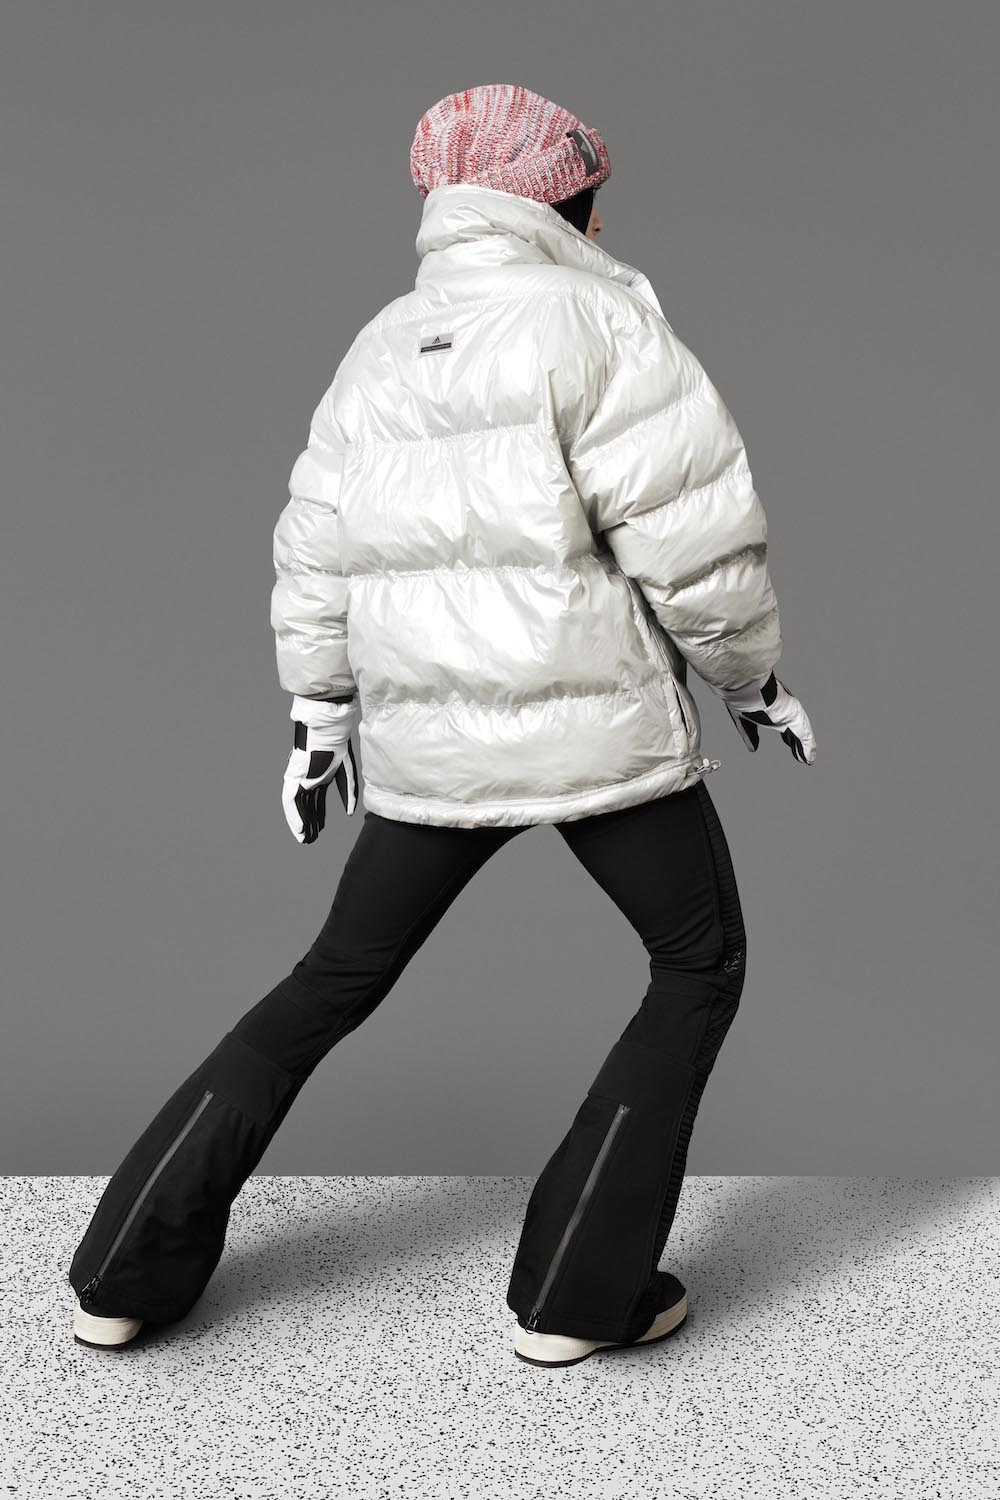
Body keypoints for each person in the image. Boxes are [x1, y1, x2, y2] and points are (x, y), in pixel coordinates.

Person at [67, 83, 816, 1368]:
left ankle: (122, 1270)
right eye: (589, 194)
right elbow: (691, 540)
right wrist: (751, 680)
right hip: (593, 735)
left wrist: (318, 715)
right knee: (696, 965)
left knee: (333, 980)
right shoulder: (601, 319)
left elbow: (314, 547)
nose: (599, 215)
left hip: (426, 742)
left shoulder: (381, 343)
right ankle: (576, 1296)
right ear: (558, 201)